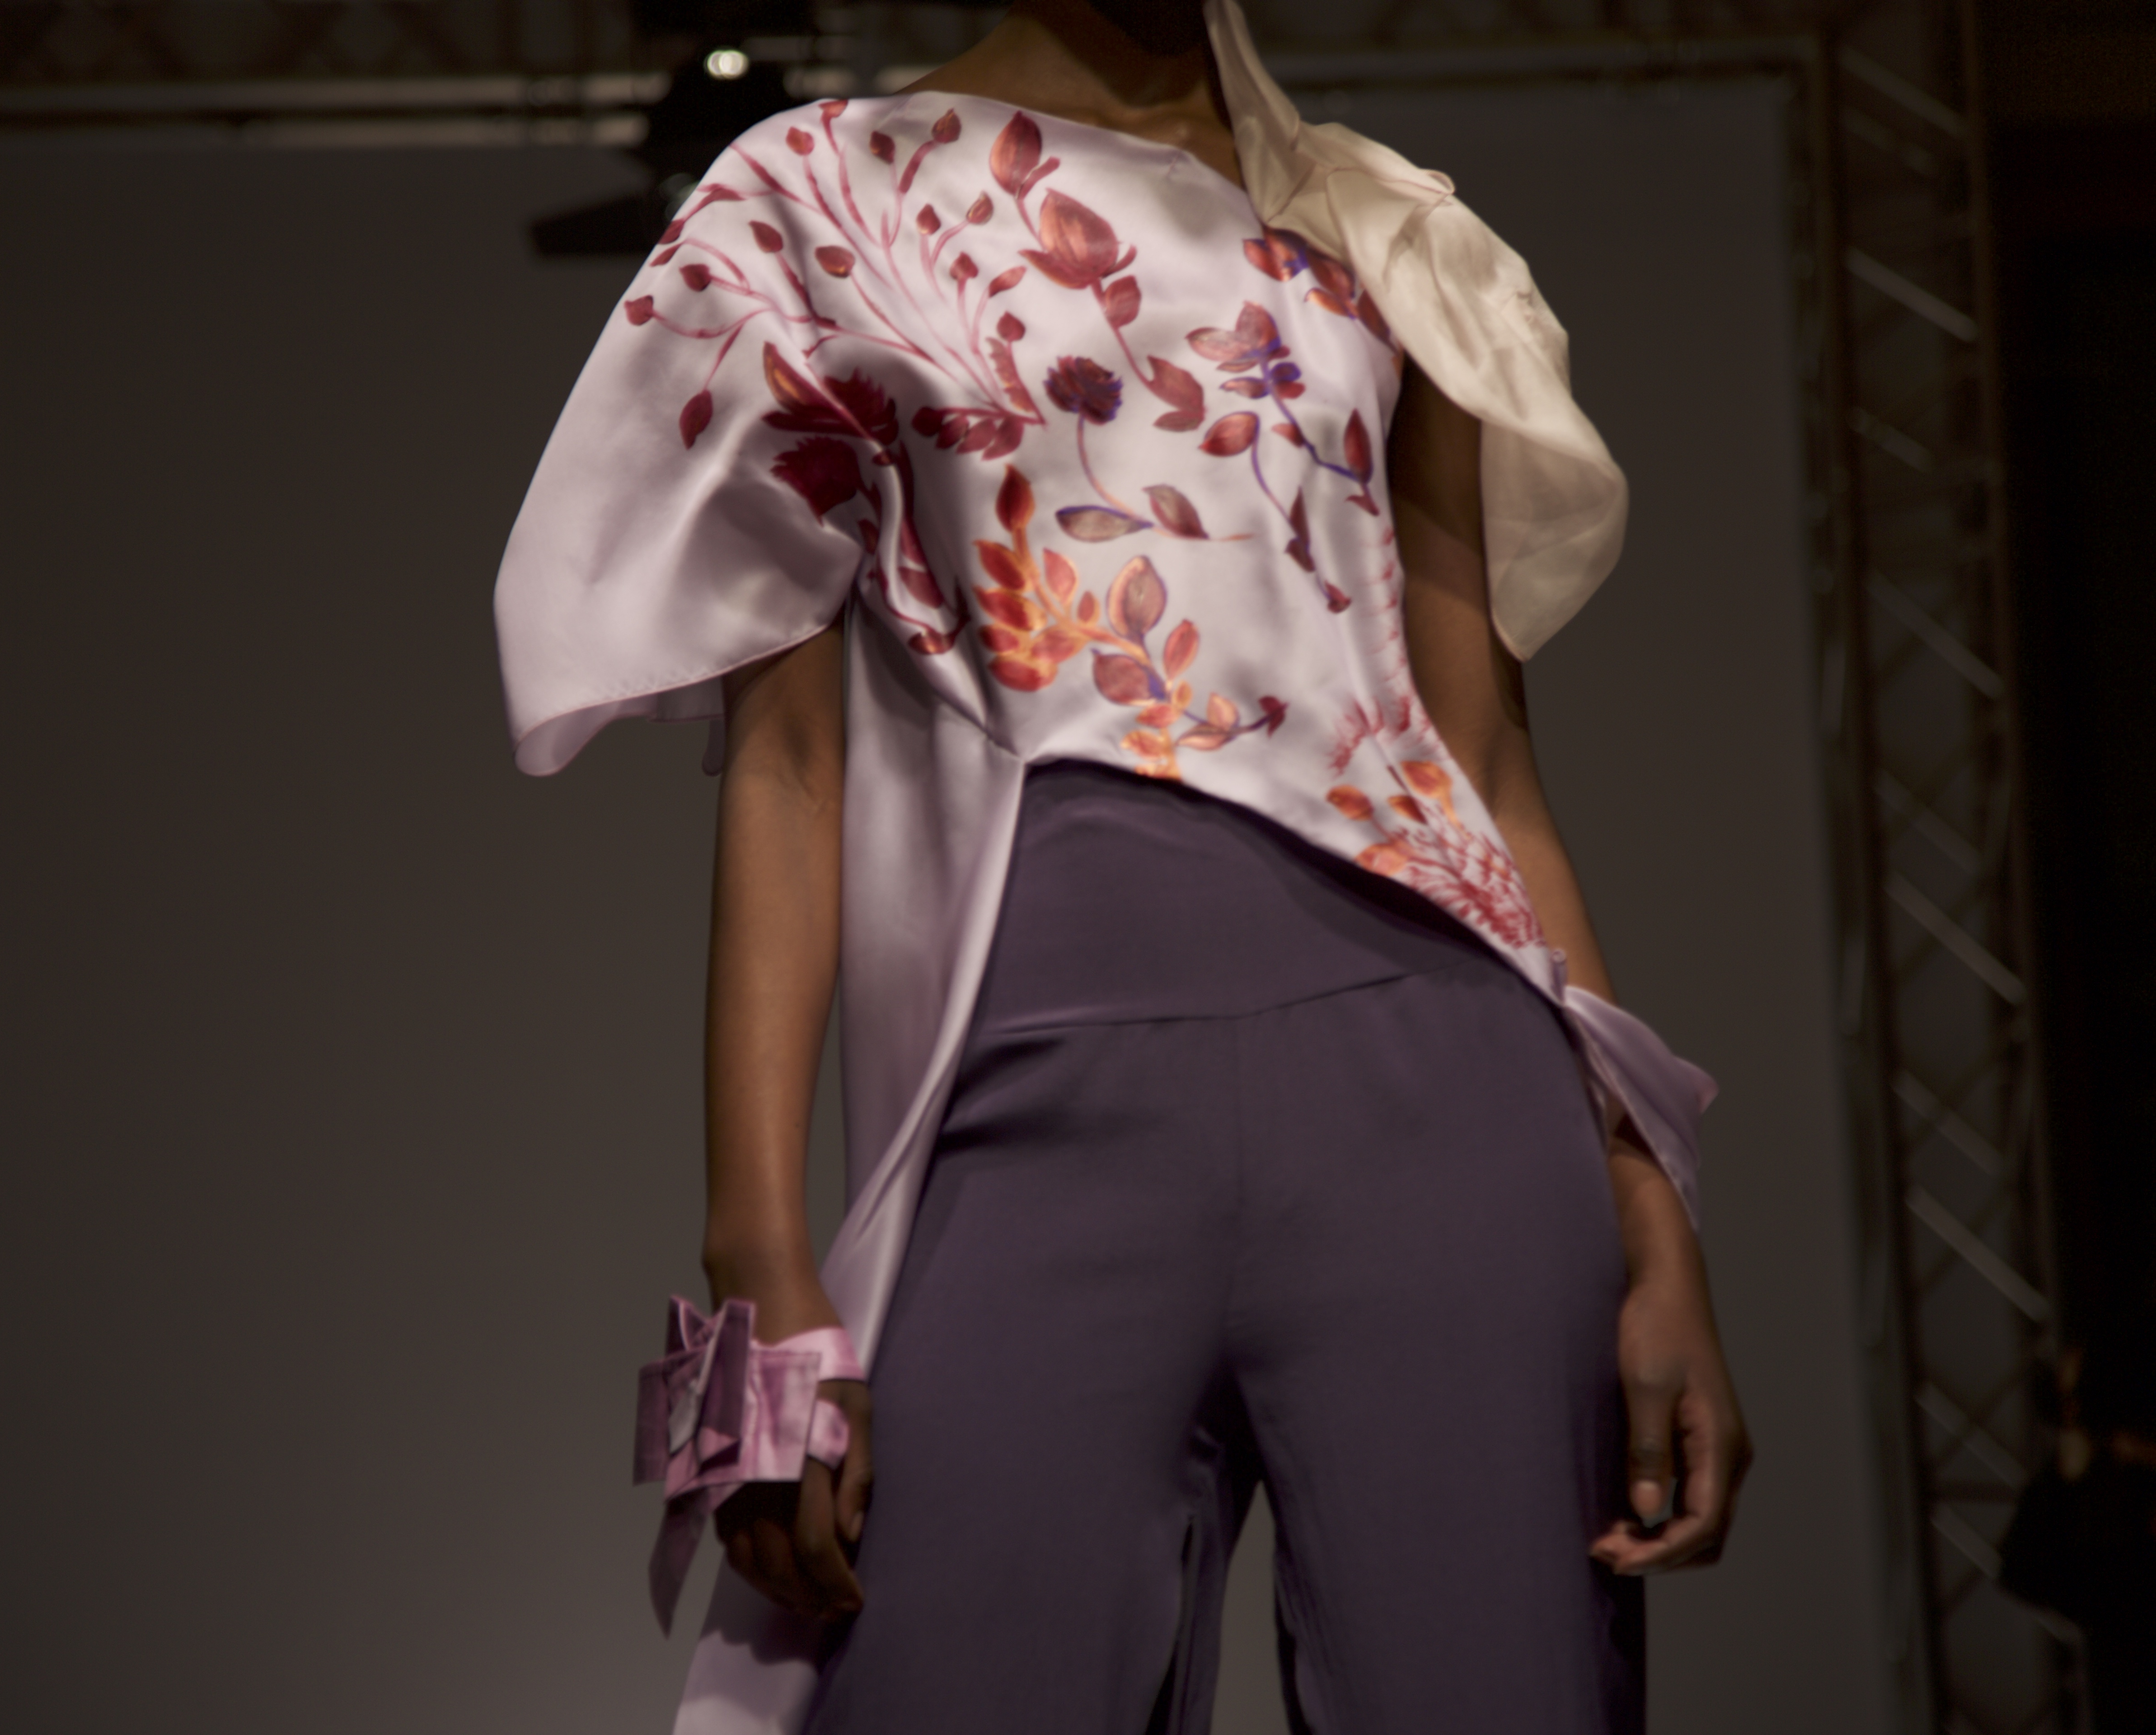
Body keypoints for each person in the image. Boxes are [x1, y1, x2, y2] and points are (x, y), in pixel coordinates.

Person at [493, 1, 1750, 1729]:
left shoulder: (1387, 232)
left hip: (1446, 1096)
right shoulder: (818, 195)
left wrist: (1652, 1216)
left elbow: (1487, 770)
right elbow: (785, 772)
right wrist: (755, 1258)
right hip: (1036, 1109)